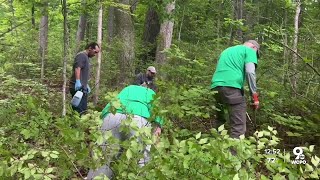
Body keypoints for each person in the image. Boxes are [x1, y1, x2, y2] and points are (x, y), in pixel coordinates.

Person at [86, 84, 163, 179]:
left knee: (103, 158)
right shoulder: (151, 93)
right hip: (138, 120)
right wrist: (157, 129)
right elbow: (158, 118)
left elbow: (107, 109)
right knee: (141, 162)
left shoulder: (128, 88)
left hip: (112, 116)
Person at [211, 40, 260, 139]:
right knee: (238, 126)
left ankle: (216, 148)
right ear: (254, 48)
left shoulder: (227, 50)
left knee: (220, 120)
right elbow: (250, 72)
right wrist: (254, 97)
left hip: (216, 87)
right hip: (231, 87)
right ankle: (234, 154)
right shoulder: (249, 51)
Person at [69, 42, 100, 115]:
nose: (95, 54)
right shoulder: (81, 56)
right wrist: (77, 81)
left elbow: (83, 73)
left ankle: (80, 124)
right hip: (78, 88)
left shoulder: (87, 58)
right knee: (79, 110)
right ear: (90, 49)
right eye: (95, 52)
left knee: (83, 109)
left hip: (83, 88)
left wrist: (86, 84)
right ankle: (76, 125)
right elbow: (77, 68)